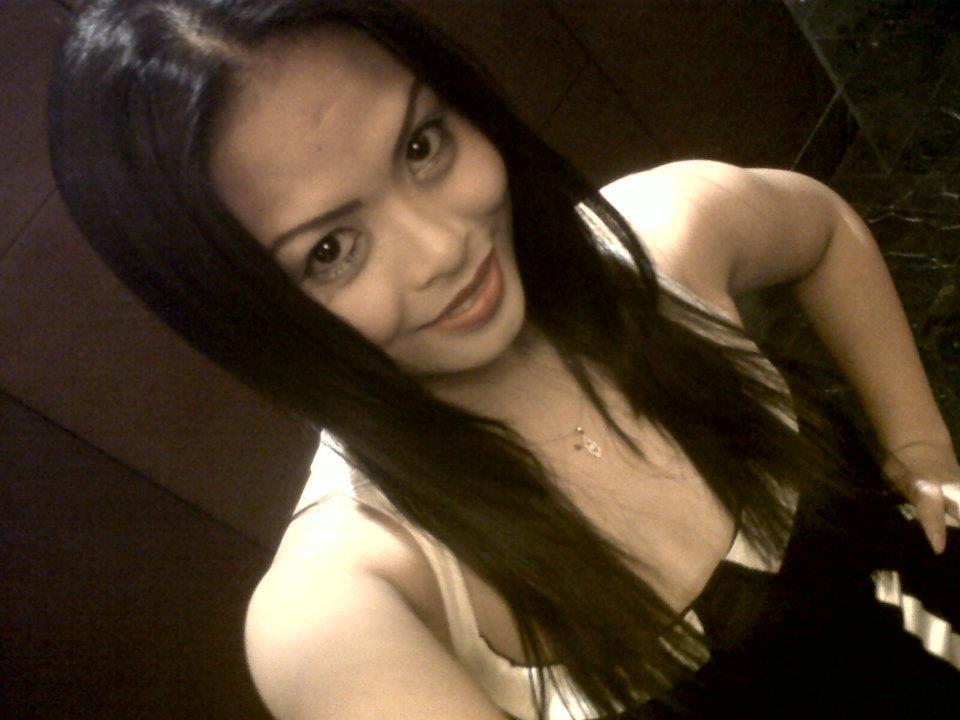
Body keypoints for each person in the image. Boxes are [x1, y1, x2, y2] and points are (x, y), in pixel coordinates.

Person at [49, 1, 960, 718]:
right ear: (247, 314)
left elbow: (823, 229)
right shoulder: (351, 592)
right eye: (330, 250)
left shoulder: (656, 250)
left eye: (421, 145)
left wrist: (920, 447)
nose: (442, 246)